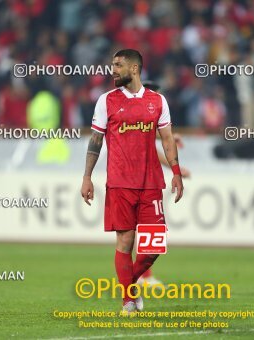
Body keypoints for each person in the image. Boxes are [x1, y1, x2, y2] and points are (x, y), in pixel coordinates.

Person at [80, 49, 184, 313]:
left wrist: (176, 171)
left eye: (118, 65)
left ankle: (129, 283)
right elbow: (95, 141)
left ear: (134, 69)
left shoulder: (157, 101)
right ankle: (128, 300)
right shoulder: (106, 101)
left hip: (150, 183)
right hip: (119, 183)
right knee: (125, 242)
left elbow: (168, 139)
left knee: (153, 248)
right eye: (112, 65)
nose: (112, 70)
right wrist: (87, 177)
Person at [136, 80, 191, 288]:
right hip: (139, 178)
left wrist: (168, 136)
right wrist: (174, 168)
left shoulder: (136, 115)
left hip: (137, 176)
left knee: (143, 228)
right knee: (149, 227)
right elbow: (150, 146)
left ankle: (141, 275)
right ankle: (142, 276)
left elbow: (152, 136)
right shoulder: (143, 112)